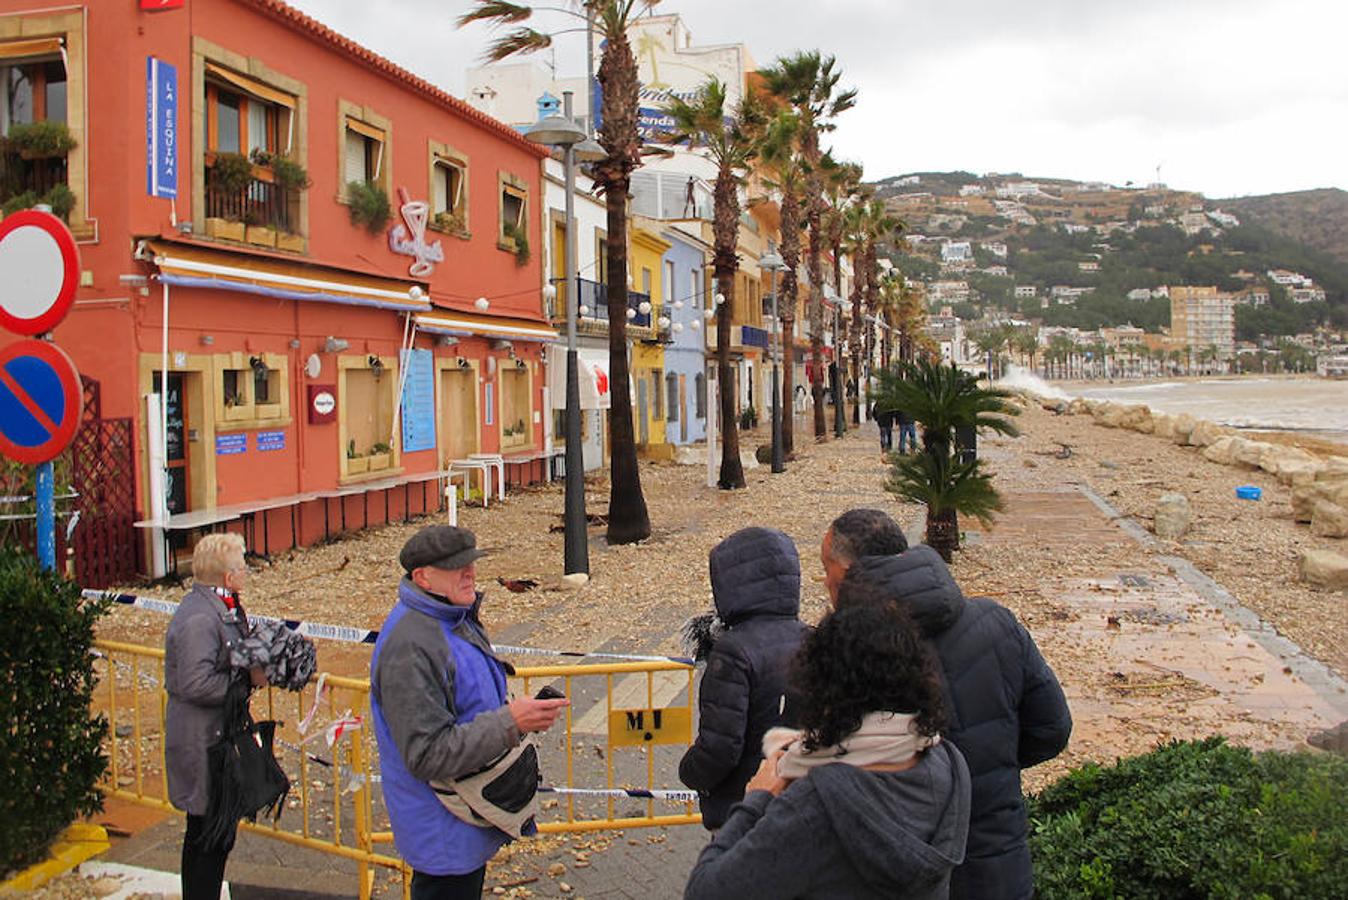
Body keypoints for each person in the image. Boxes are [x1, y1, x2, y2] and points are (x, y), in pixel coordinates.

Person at [826, 516, 1073, 900]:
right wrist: (991, 764)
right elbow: (1052, 729)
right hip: (998, 869)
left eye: (825, 569)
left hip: (899, 872)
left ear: (847, 573)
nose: (824, 584)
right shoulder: (998, 623)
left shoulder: (843, 654)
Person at [684, 601, 971, 899]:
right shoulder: (949, 764)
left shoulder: (814, 806)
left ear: (824, 690)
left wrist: (756, 800)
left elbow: (705, 891)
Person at [370, 525, 568, 899]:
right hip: (441, 828)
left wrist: (515, 712)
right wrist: (512, 721)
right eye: (456, 567)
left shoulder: (451, 616)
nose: (470, 573)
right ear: (422, 577)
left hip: (462, 815)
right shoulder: (411, 646)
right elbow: (427, 754)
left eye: (471, 564)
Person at [679, 527, 810, 830]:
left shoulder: (734, 652)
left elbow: (721, 747)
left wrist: (690, 772)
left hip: (743, 809)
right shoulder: (812, 638)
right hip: (798, 805)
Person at [165, 533, 266, 900]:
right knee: (208, 836)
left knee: (210, 835)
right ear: (227, 577)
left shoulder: (217, 606)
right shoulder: (199, 619)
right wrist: (245, 682)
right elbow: (195, 683)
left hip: (213, 739)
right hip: (201, 744)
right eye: (242, 567)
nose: (246, 573)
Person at [820, 508, 909, 602]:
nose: (826, 583)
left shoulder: (865, 614)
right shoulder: (921, 596)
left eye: (827, 569)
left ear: (850, 572)